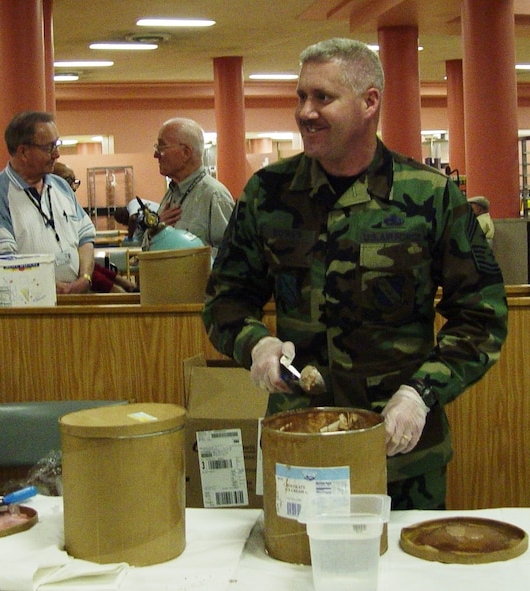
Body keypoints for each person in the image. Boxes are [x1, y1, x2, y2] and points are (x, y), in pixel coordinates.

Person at [201, 38, 507, 511]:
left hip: (399, 453)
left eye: (323, 97)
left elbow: (482, 317)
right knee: (293, 581)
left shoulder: (429, 196)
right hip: (300, 445)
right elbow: (226, 300)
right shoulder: (269, 193)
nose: (305, 112)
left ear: (369, 102)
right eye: (300, 97)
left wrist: (420, 394)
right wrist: (255, 344)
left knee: (405, 582)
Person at [0, 111, 95, 294]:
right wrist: (49, 287)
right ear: (23, 152)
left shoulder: (61, 186)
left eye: (57, 145)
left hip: (74, 300)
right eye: (49, 148)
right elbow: (3, 262)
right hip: (29, 307)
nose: (57, 154)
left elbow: (85, 238)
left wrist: (85, 278)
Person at [150, 117, 235, 256]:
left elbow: (231, 257)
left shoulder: (214, 196)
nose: (156, 155)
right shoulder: (171, 194)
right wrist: (155, 231)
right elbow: (146, 248)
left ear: (186, 153)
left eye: (162, 147)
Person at [53, 162, 136, 293]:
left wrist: (119, 281)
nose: (73, 187)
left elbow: (88, 262)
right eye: (69, 181)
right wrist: (114, 288)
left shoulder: (70, 206)